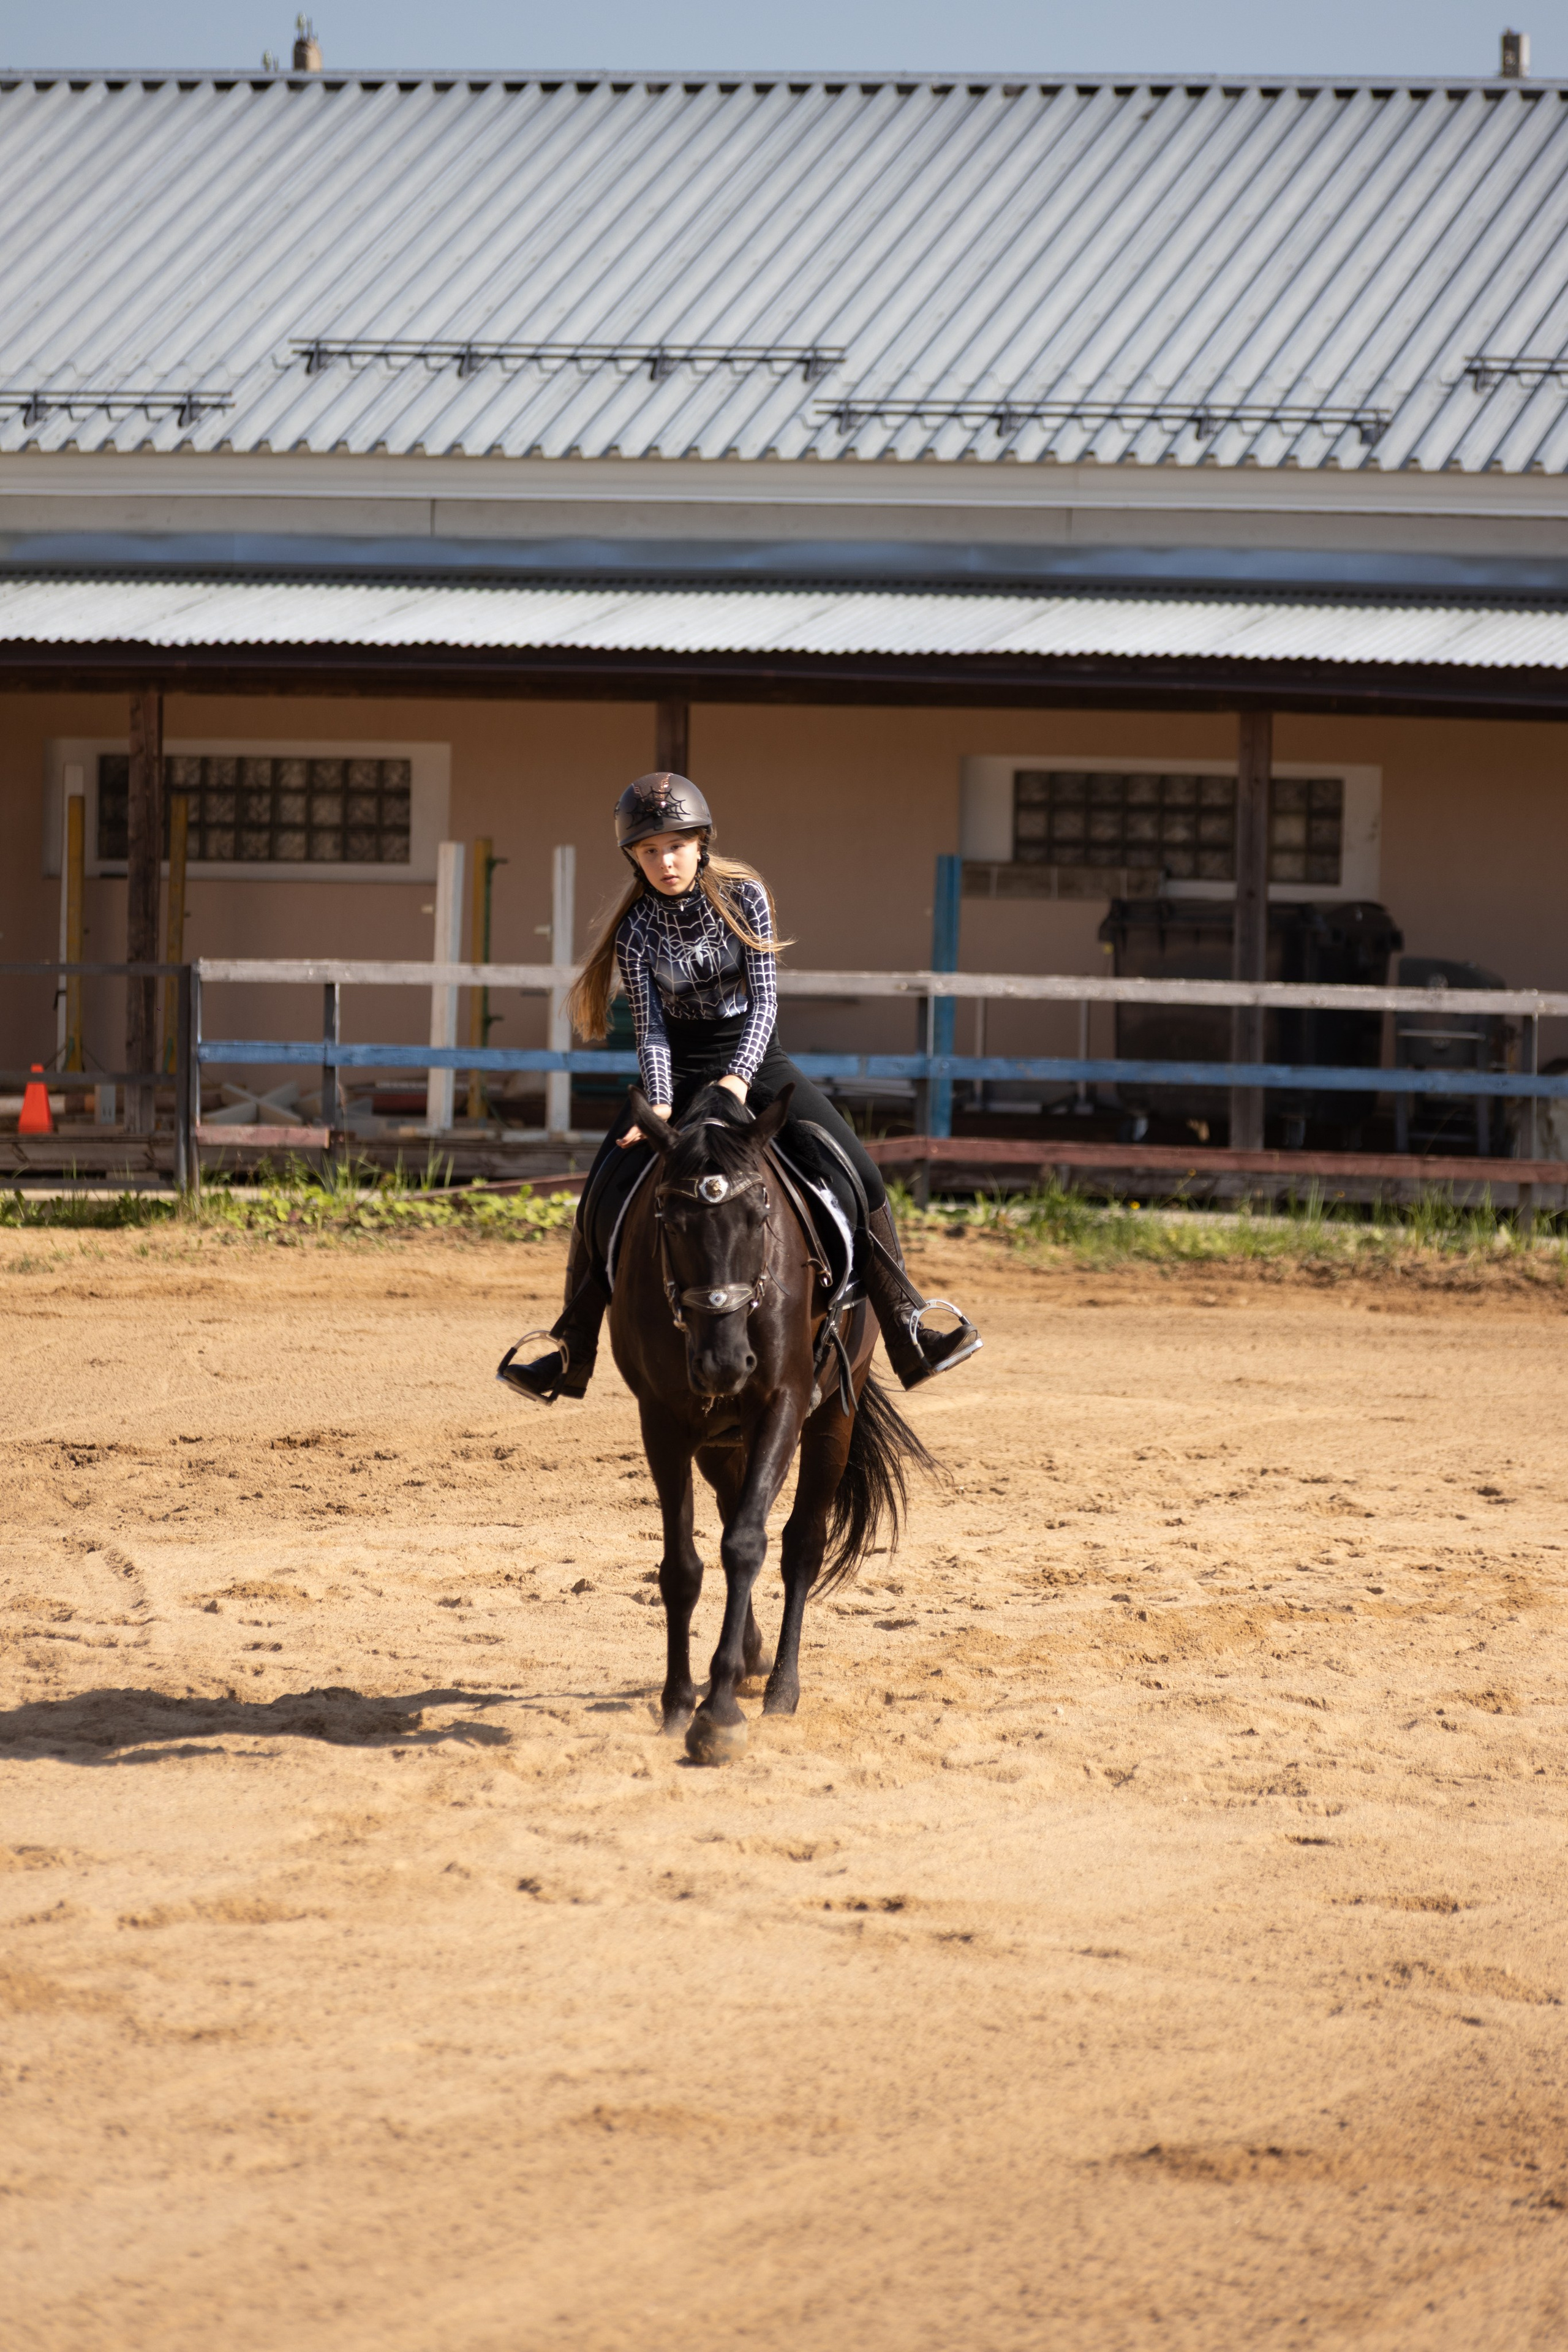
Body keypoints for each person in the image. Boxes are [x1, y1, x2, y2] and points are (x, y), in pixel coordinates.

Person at [499, 771, 981, 1404]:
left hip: (757, 1061)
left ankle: (907, 1325)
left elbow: (763, 1006)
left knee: (858, 1171)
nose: (664, 861)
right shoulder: (636, 932)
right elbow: (651, 1033)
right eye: (648, 851)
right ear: (633, 859)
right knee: (602, 1191)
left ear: (701, 842)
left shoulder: (744, 895)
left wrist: (736, 1081)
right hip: (678, 1068)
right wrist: (662, 1101)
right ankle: (570, 1351)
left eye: (676, 844)